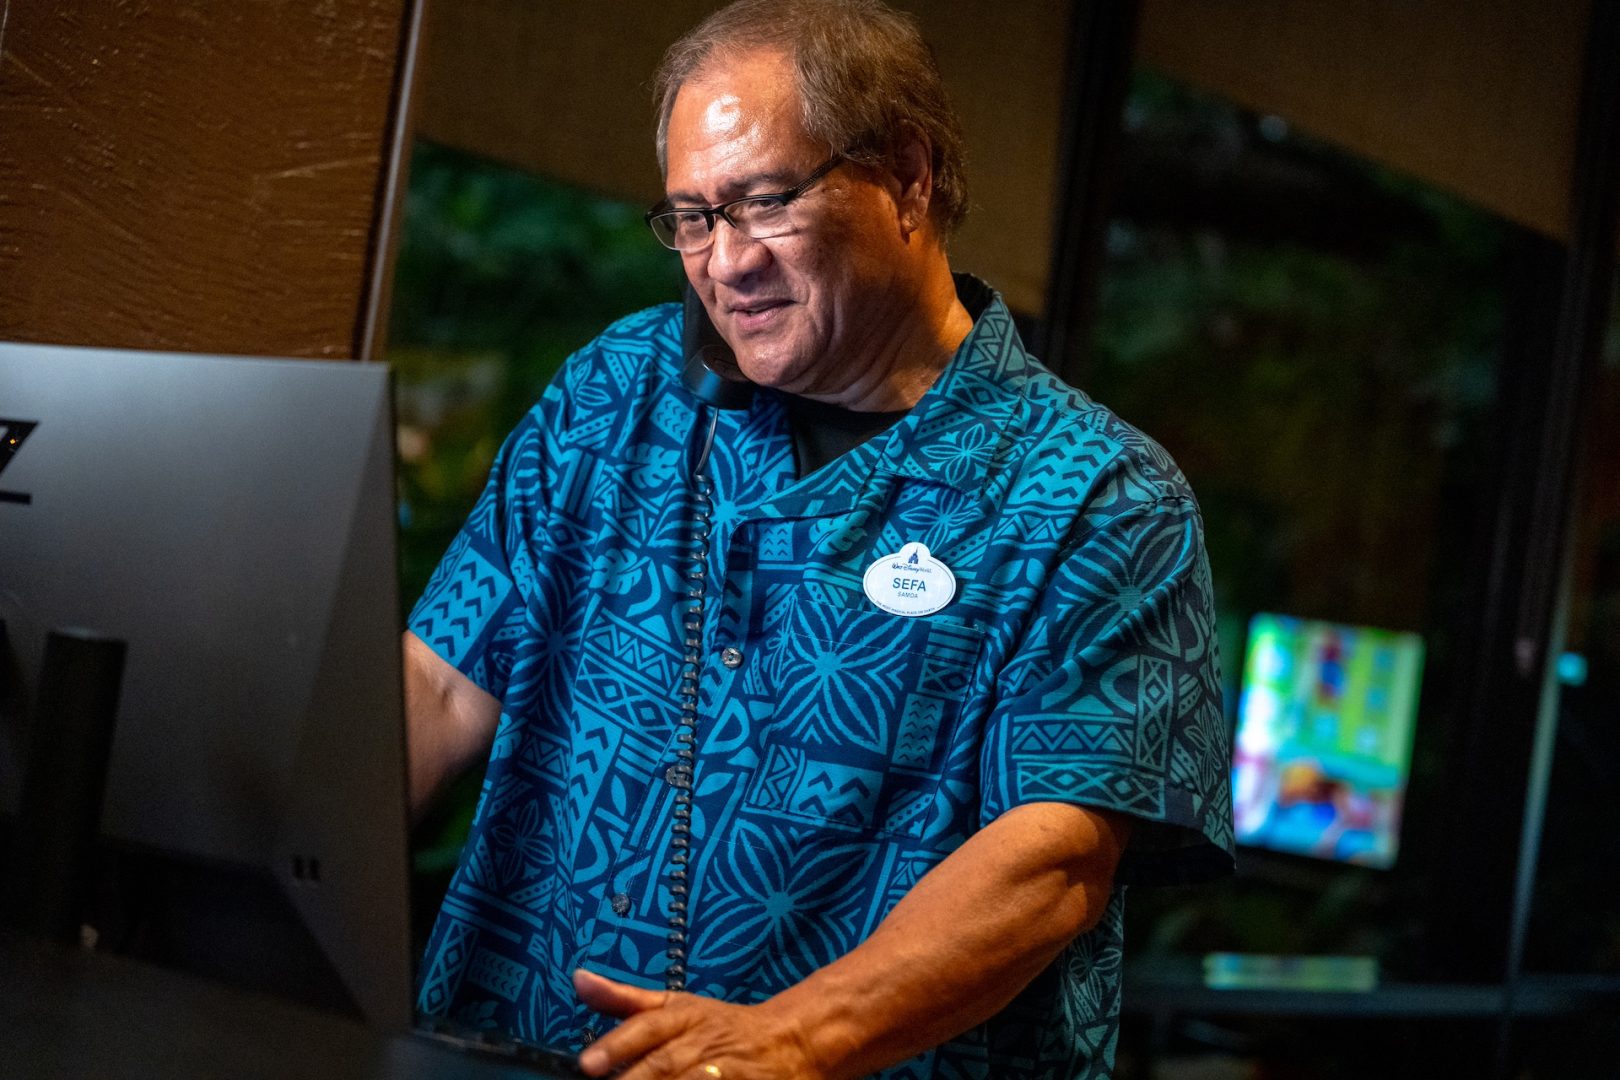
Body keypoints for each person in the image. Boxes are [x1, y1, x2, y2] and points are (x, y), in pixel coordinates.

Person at [404, 2, 1234, 1077]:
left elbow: (1053, 862)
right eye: (692, 217)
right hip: (513, 1048)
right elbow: (436, 688)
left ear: (908, 177)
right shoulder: (618, 390)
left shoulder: (1099, 496)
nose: (725, 260)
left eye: (764, 203)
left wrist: (785, 1043)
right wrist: (267, 860)